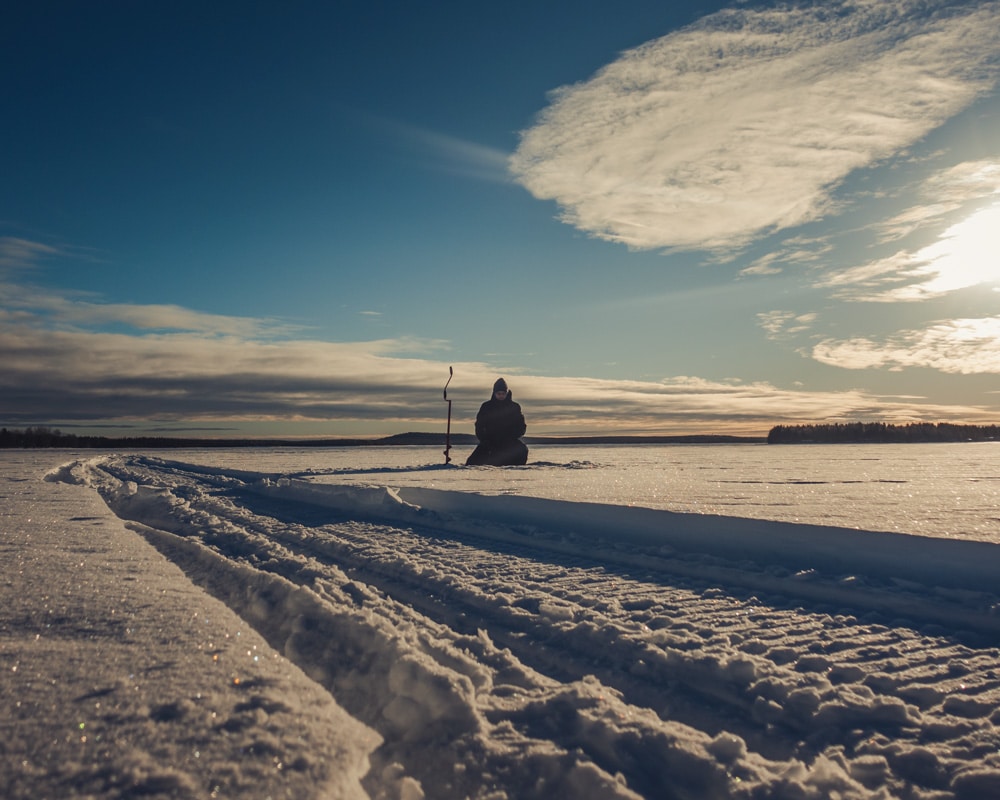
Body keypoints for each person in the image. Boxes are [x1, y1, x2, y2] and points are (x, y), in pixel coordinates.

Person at [465, 378, 528, 466]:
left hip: (509, 440)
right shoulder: (486, 406)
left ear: (506, 393)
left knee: (522, 450)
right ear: (494, 393)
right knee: (472, 464)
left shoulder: (514, 407)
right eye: (499, 394)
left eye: (503, 393)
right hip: (490, 441)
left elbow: (521, 425)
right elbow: (479, 425)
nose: (501, 396)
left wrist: (513, 436)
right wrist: (484, 439)